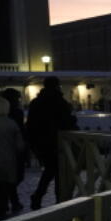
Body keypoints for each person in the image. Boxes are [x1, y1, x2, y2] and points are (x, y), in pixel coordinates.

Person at [26, 75, 77, 210]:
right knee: (57, 170)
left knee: (50, 169)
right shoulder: (61, 102)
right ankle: (57, 197)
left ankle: (39, 195)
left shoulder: (36, 102)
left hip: (41, 142)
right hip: (58, 141)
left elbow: (30, 124)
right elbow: (67, 122)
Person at [0, 88, 27, 214]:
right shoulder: (17, 113)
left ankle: (9, 202)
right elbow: (20, 130)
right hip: (15, 148)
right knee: (16, 176)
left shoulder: (2, 113)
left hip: (3, 148)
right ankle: (10, 202)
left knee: (10, 177)